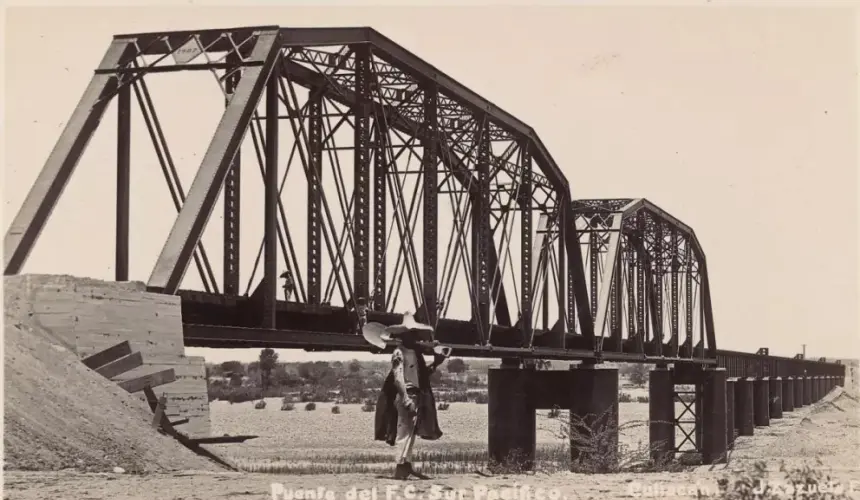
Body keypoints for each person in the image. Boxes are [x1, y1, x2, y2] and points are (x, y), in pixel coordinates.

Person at [371, 313, 445, 480]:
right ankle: (400, 467)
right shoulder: (399, 352)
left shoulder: (415, 354)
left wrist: (437, 362)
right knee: (404, 431)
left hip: (416, 394)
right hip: (407, 394)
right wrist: (405, 397)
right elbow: (398, 377)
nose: (414, 337)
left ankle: (407, 465)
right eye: (410, 334)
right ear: (403, 336)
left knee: (411, 431)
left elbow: (423, 375)